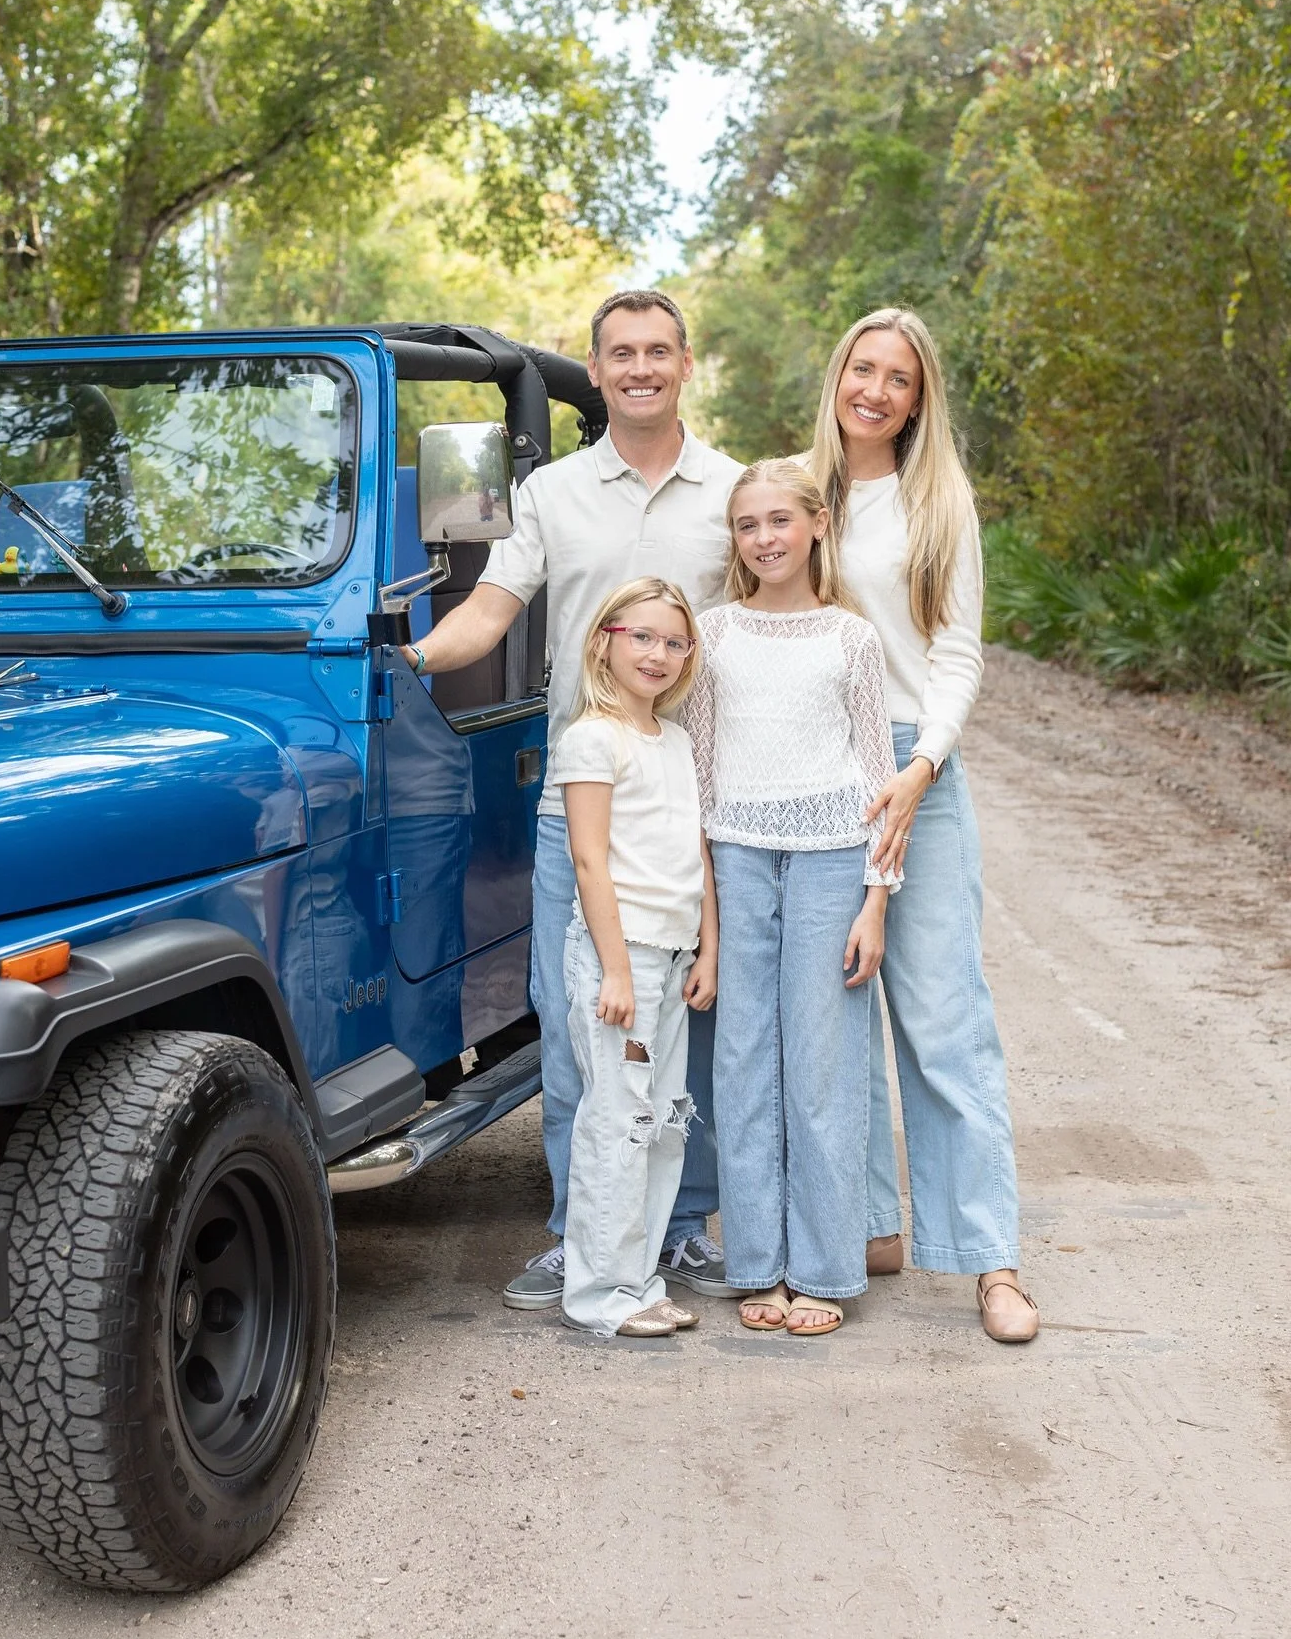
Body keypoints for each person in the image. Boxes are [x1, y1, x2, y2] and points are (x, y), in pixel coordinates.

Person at [399, 288, 742, 1309]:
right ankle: (580, 1234)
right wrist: (407, 657)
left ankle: (679, 1229)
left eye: (658, 351)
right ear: (595, 371)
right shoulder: (550, 492)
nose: (640, 367)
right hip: (578, 808)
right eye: (620, 353)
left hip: (690, 803)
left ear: (687, 364)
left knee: (693, 1024)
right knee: (574, 1020)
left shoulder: (730, 490)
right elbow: (488, 615)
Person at [800, 306, 1038, 1343]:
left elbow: (959, 652)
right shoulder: (796, 492)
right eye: (865, 368)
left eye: (900, 377)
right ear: (839, 375)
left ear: (919, 397)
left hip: (914, 762)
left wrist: (920, 769)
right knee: (834, 1011)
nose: (878, 390)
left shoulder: (940, 501)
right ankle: (868, 1225)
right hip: (810, 765)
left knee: (944, 1023)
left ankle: (991, 1259)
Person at [684, 460, 898, 1335]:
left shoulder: (851, 639)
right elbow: (696, 784)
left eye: (780, 520)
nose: (766, 539)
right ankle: (758, 1265)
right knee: (739, 1065)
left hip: (830, 861)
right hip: (736, 857)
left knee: (823, 1066)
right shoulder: (712, 635)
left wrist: (876, 899)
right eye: (747, 526)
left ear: (814, 525)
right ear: (735, 540)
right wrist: (708, 927)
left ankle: (823, 1267)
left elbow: (880, 775)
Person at [555, 578, 718, 1337]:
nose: (658, 654)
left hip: (674, 956)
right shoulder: (592, 737)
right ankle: (598, 1295)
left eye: (675, 641)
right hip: (619, 962)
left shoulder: (678, 740)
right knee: (617, 1123)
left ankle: (639, 1281)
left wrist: (707, 949)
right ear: (605, 641)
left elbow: (695, 854)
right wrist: (615, 968)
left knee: (660, 1126)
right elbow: (589, 861)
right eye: (642, 637)